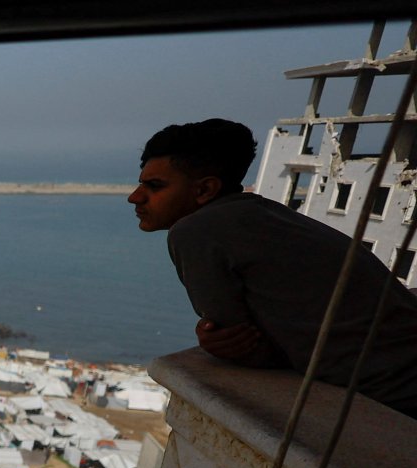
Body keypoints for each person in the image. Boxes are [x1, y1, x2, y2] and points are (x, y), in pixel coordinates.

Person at [132, 119, 417, 418]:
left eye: (154, 186)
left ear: (205, 189)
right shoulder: (265, 213)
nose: (134, 197)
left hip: (394, 390)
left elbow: (243, 346)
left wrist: (216, 340)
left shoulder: (195, 231)